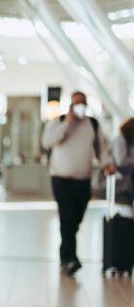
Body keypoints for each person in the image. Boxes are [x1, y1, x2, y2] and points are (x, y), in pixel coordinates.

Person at [41, 91, 115, 276]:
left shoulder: (92, 124)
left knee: (75, 221)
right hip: (61, 180)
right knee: (67, 218)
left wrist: (107, 165)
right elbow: (47, 142)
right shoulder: (58, 122)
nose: (80, 106)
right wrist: (68, 124)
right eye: (76, 103)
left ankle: (66, 253)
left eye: (83, 103)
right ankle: (69, 259)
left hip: (83, 181)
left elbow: (101, 149)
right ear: (70, 105)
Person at [112, 117, 134, 206]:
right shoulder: (120, 140)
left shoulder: (129, 142)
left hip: (127, 176)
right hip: (119, 177)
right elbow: (120, 161)